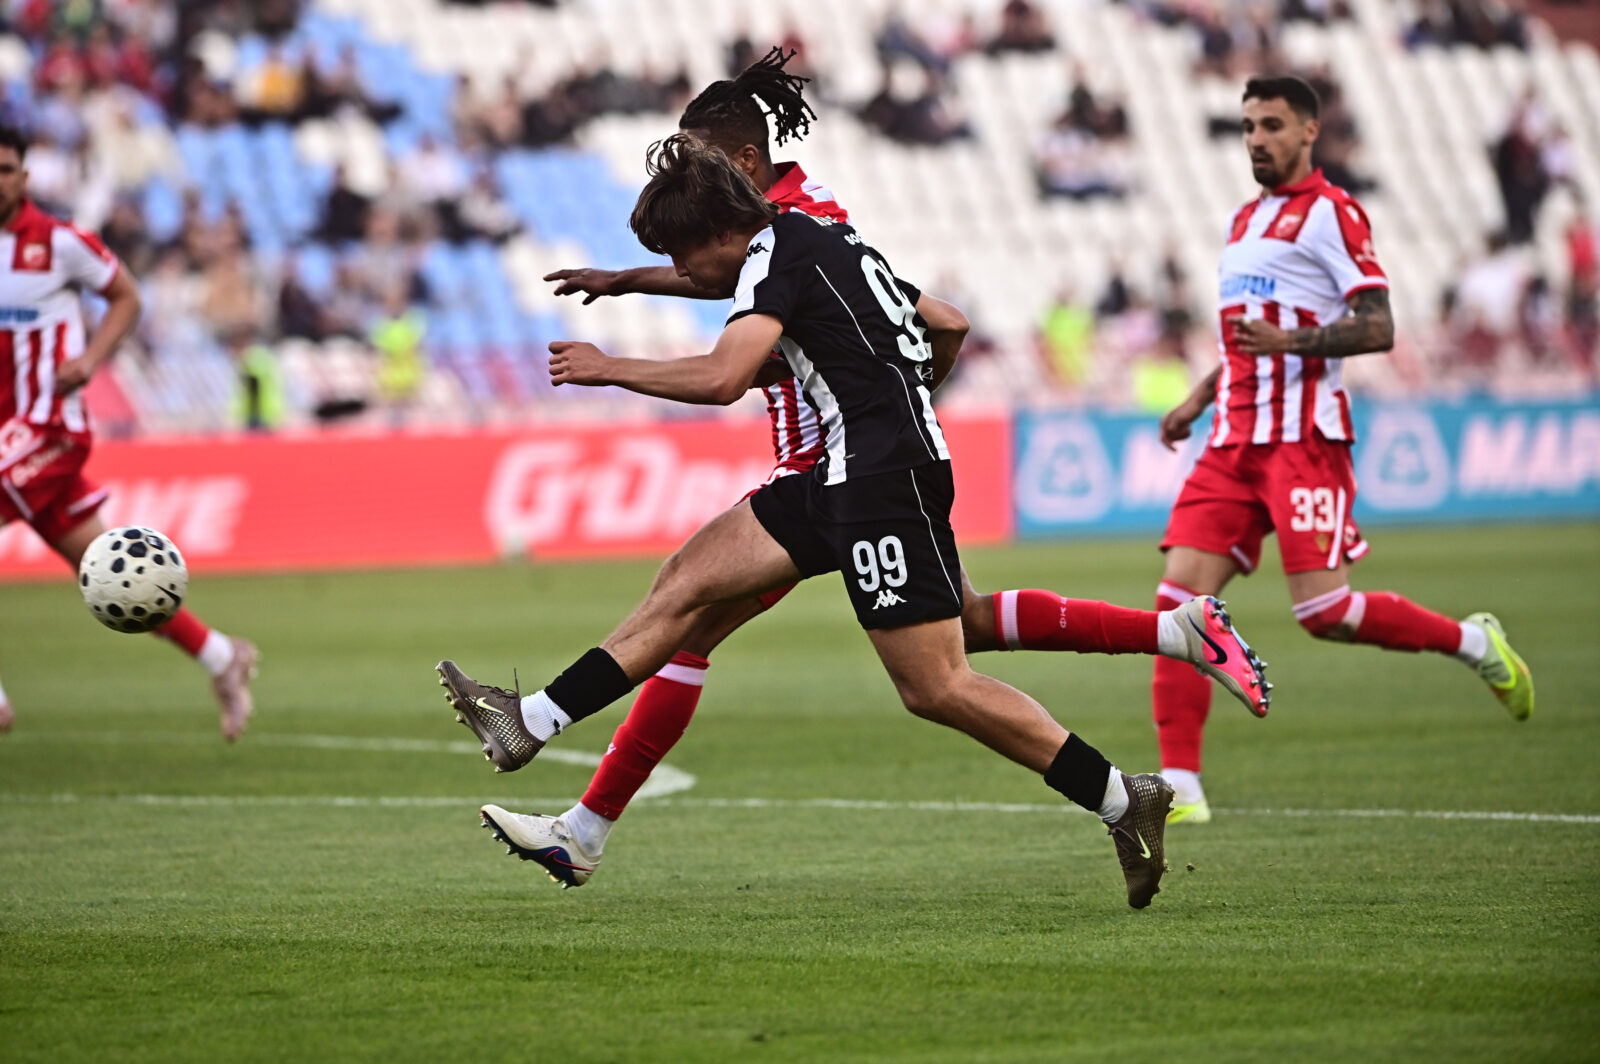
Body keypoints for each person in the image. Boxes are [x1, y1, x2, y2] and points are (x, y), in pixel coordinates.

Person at [520, 48, 1268, 891]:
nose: (690, 194)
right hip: (855, 463)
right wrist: (633, 281)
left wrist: (880, 408)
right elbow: (919, 316)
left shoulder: (788, 234)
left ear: (739, 165)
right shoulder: (808, 222)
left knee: (886, 667)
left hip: (840, 464)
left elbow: (750, 336)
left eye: (696, 164)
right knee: (946, 622)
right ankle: (1175, 636)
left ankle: (577, 818)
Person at [1151, 77, 1534, 825]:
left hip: (1303, 441)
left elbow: (1380, 324)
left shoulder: (1333, 214)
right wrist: (1199, 397)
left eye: (1271, 125)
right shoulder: (1241, 220)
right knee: (1178, 604)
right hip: (1232, 438)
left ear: (1308, 133)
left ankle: (1472, 641)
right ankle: (1181, 785)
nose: (1256, 138)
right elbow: (1244, 335)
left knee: (1325, 611)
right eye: (1248, 126)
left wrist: (1293, 341)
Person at [0, 125, 257, 740]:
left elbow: (126, 296)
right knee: (113, 573)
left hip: (49, 427)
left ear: (25, 177)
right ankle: (223, 657)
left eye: (5, 169)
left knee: (109, 569)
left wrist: (90, 360)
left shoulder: (59, 244)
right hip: (9, 437)